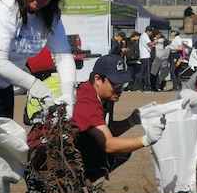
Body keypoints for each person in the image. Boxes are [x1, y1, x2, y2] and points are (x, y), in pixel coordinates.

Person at [71, 54, 166, 184]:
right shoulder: (86, 101)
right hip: (50, 158)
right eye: (115, 84)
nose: (120, 89)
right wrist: (145, 140)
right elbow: (108, 144)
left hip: (75, 148)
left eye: (123, 84)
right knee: (115, 149)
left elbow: (106, 131)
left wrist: (131, 121)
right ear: (98, 79)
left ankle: (79, 185)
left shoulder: (106, 97)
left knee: (124, 149)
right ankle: (75, 185)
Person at [136, 26, 157, 91]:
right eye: (151, 32)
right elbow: (150, 43)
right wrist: (156, 42)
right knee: (146, 73)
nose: (151, 34)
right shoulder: (145, 36)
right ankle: (146, 87)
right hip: (146, 56)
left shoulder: (142, 36)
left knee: (143, 71)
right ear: (148, 31)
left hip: (143, 56)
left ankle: (141, 86)